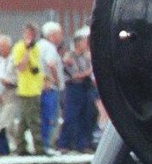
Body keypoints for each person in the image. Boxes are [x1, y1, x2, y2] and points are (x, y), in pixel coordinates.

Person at [59, 27, 95, 152]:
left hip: (85, 87)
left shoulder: (86, 56)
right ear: (78, 43)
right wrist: (87, 72)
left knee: (86, 115)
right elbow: (73, 75)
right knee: (71, 115)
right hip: (74, 88)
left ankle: (83, 144)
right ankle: (64, 144)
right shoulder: (69, 57)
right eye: (85, 41)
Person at [10, 23, 44, 155]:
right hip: (26, 89)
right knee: (34, 120)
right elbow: (21, 67)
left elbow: (37, 67)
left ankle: (21, 146)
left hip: (35, 88)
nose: (31, 37)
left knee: (24, 121)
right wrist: (27, 50)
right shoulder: (19, 48)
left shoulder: (36, 48)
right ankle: (38, 147)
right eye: (29, 34)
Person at [38, 21, 65, 155]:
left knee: (43, 116)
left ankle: (43, 144)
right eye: (59, 34)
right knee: (50, 117)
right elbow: (51, 64)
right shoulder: (49, 47)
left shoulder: (39, 45)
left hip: (39, 86)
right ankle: (47, 144)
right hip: (50, 87)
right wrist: (56, 80)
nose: (61, 37)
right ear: (52, 35)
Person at [0, 34, 19, 155]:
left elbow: (19, 76)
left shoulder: (14, 59)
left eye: (4, 46)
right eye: (0, 46)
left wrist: (10, 81)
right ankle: (15, 144)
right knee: (7, 123)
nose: (1, 48)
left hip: (11, 93)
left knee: (4, 121)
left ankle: (12, 145)